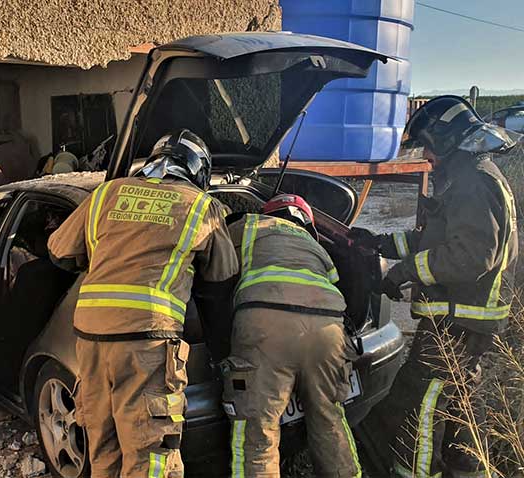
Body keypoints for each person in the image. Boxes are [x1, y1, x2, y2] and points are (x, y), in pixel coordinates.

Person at [47, 129, 239, 478]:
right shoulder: (199, 205)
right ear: (198, 173)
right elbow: (221, 283)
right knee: (150, 454)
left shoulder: (107, 193)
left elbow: (58, 250)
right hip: (146, 344)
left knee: (103, 449)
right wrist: (222, 350)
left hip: (90, 341)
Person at [351, 95, 520, 478]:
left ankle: (412, 472)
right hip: (463, 317)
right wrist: (380, 244)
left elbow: (472, 255)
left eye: (428, 145)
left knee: (422, 401)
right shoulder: (469, 176)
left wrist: (404, 272)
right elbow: (436, 239)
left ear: (446, 140)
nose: (425, 156)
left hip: (460, 318)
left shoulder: (474, 183)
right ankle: (467, 470)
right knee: (458, 400)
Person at [223, 194, 361, 478]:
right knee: (329, 418)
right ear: (307, 221)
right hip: (327, 331)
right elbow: (335, 283)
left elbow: (214, 265)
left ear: (268, 212)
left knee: (257, 430)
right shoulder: (315, 244)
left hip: (266, 326)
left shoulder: (248, 226)